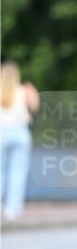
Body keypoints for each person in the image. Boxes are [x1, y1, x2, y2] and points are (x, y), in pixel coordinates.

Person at [0, 62, 40, 219]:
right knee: (18, 173)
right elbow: (34, 107)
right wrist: (33, 93)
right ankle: (12, 210)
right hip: (20, 132)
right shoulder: (24, 91)